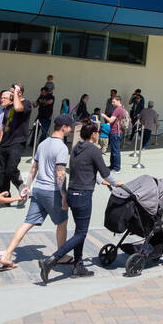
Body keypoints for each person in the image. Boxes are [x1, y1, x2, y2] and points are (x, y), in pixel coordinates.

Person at [40, 117, 119, 282]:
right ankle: (52, 260)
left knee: (79, 232)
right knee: (81, 233)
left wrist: (100, 181)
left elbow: (85, 169)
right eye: (97, 132)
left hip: (72, 194)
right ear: (94, 134)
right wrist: (115, 183)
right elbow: (105, 171)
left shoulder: (76, 148)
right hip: (83, 195)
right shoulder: (94, 150)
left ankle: (78, 266)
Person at [0, 111, 70, 272]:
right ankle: (62, 255)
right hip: (52, 192)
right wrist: (64, 194)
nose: (70, 130)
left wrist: (27, 186)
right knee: (62, 223)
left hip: (37, 189)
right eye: (69, 127)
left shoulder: (43, 144)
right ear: (64, 127)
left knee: (27, 223)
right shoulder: (62, 148)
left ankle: (8, 254)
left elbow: (33, 168)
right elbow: (60, 174)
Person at [0, 84, 31, 206]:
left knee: (11, 169)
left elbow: (18, 107)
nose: (10, 94)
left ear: (19, 93)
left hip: (17, 142)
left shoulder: (26, 104)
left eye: (12, 92)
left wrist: (15, 94)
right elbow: (4, 125)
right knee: (2, 171)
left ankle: (23, 189)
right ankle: (5, 198)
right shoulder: (8, 108)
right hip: (4, 143)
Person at [104, 95, 129, 172]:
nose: (112, 103)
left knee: (115, 151)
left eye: (113, 101)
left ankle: (117, 168)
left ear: (118, 101)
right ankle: (112, 166)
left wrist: (104, 116)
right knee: (114, 150)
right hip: (119, 132)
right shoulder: (123, 109)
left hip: (115, 132)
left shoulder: (117, 110)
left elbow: (111, 120)